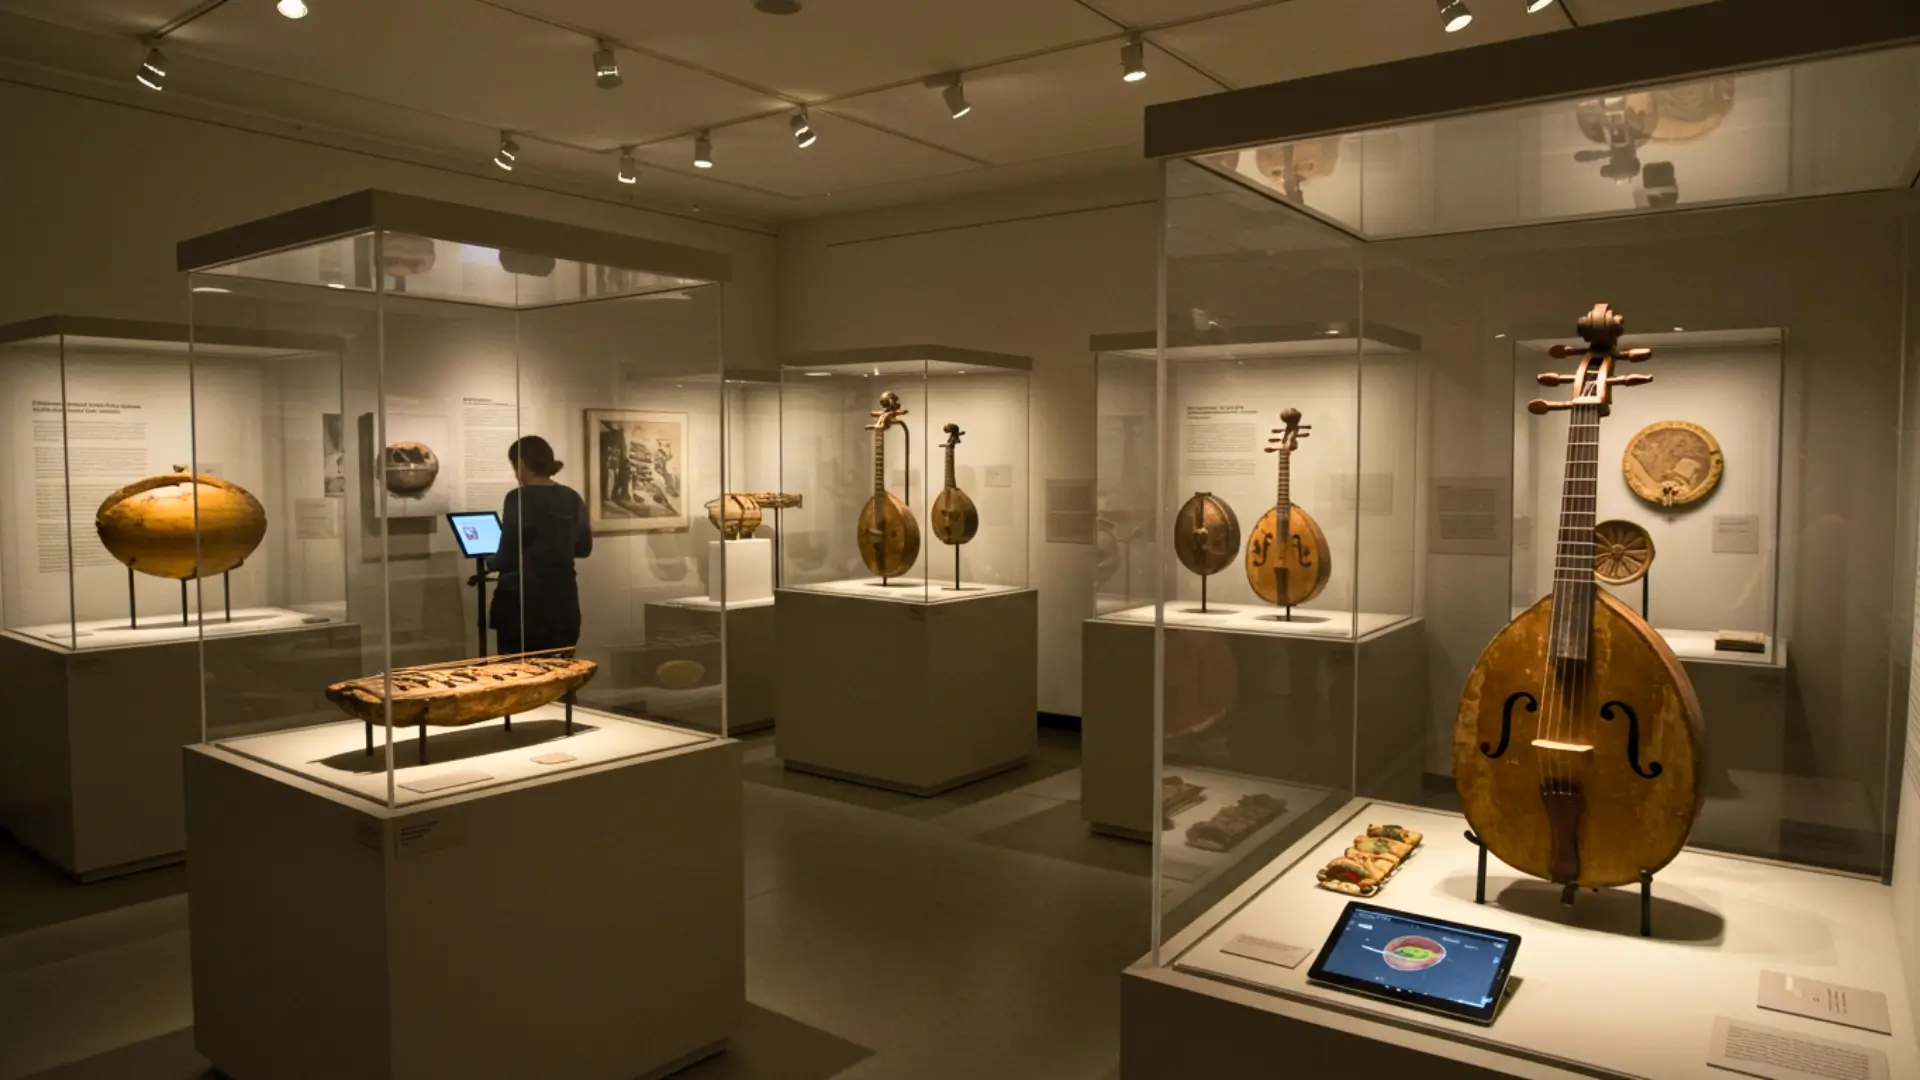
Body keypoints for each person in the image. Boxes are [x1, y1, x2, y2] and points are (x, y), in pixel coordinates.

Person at [488, 435, 591, 656]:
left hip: (523, 601)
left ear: (521, 463)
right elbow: (584, 548)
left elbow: (507, 553)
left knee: (517, 671)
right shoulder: (571, 496)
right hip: (562, 598)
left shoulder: (517, 498)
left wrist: (490, 561)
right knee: (560, 670)